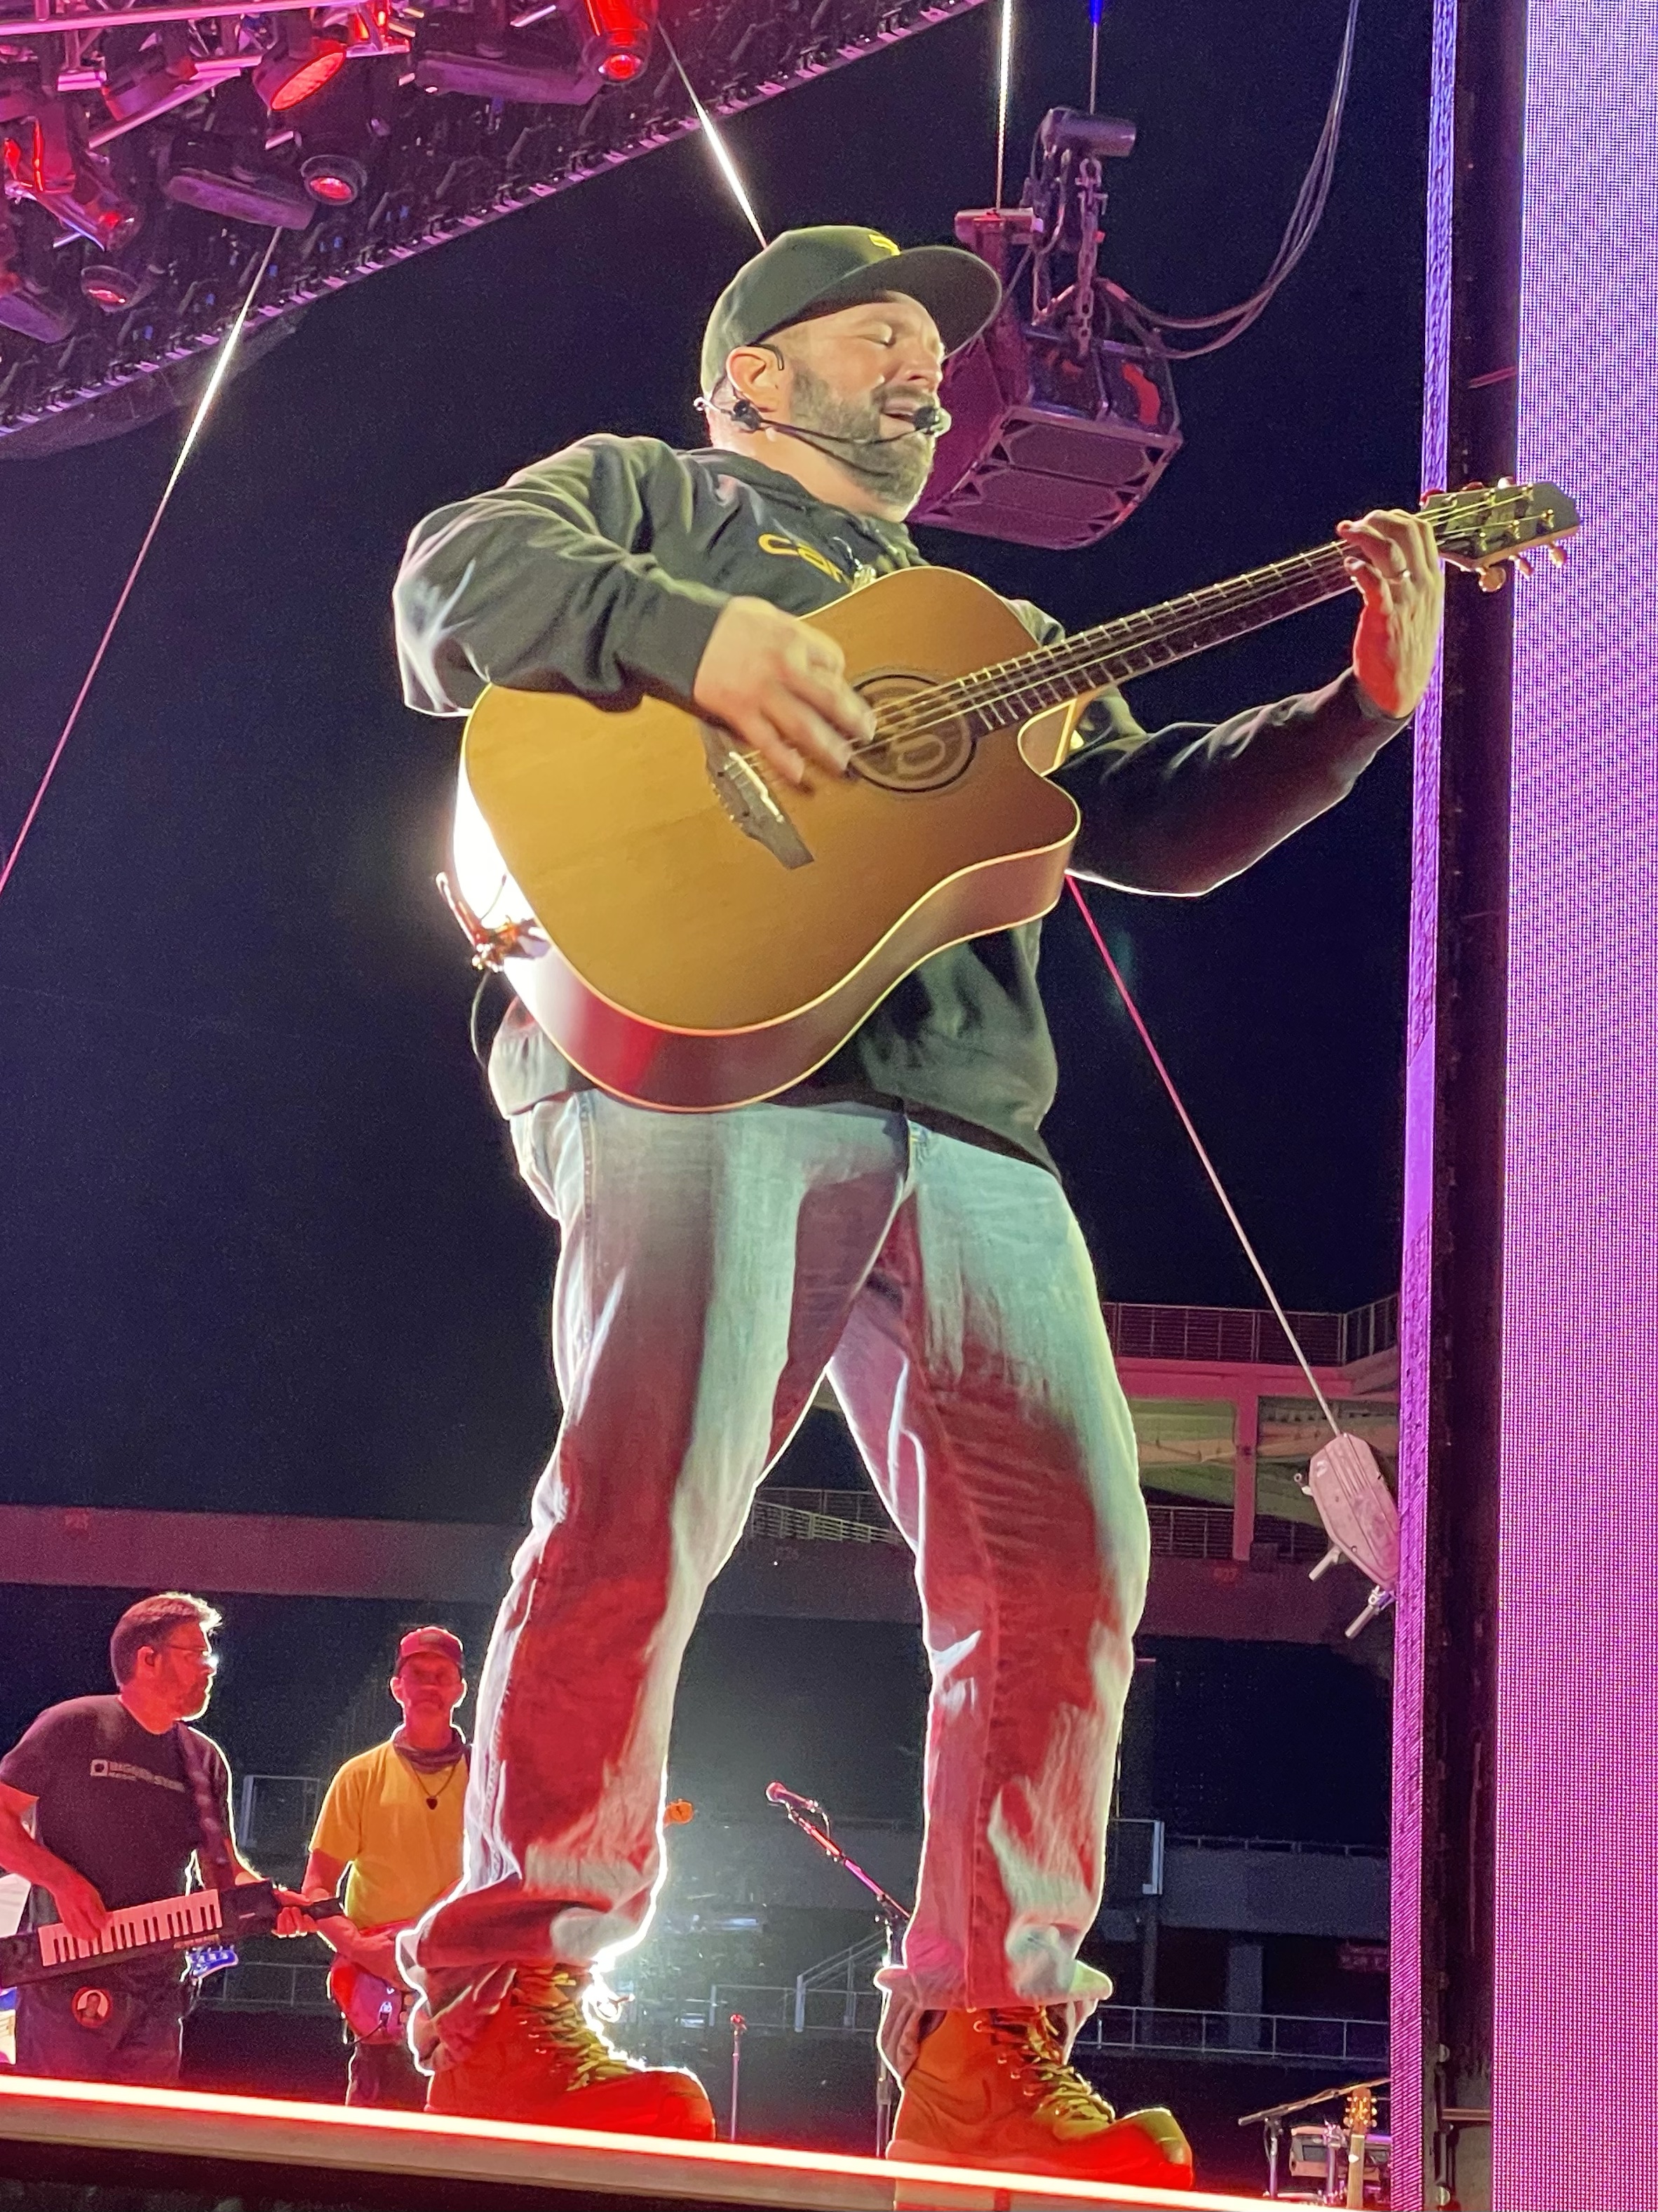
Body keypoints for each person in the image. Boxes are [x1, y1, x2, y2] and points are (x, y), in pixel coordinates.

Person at [391, 225, 1443, 2184]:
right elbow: (450, 587)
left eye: (930, 354)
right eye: (877, 336)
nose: (926, 373)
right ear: (751, 376)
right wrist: (693, 638)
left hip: (965, 1117)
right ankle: (512, 1987)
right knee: (644, 1501)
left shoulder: (989, 622)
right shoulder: (652, 496)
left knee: (1070, 1566)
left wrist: (1348, 715)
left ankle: (984, 2036)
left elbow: (1149, 821)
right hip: (697, 1049)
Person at [0, 1591, 309, 2086]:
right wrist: (62, 1881)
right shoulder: (73, 1725)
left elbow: (223, 1872)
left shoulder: (203, 1759)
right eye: (197, 1654)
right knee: (59, 2127)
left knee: (139, 2132)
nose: (209, 1668)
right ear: (148, 1658)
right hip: (66, 1977)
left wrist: (270, 1902)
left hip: (159, 1990)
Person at [301, 1626, 470, 2110]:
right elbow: (316, 1886)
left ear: (460, 1689)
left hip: (466, 1989)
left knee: (462, 2135)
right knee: (376, 2134)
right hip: (382, 1995)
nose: (430, 1685)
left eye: (442, 1675)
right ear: (397, 1687)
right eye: (418, 1674)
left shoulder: (490, 1778)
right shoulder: (359, 1775)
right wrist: (359, 1948)